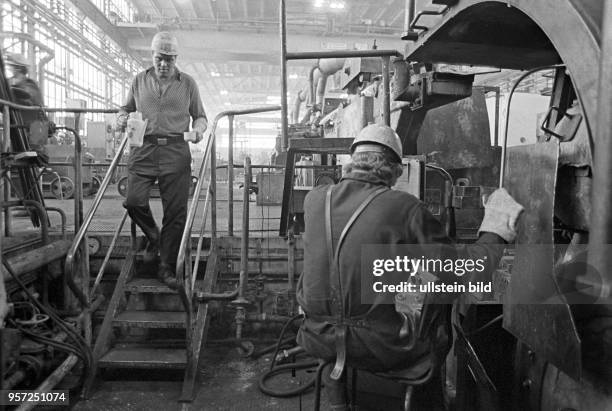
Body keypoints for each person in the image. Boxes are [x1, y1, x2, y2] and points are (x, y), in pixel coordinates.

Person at [296, 124, 524, 409]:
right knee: (437, 315)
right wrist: (495, 230)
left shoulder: (315, 200)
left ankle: (340, 402)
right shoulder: (405, 207)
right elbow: (465, 273)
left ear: (351, 161)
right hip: (383, 347)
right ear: (395, 170)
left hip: (318, 336)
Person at [116, 32, 208, 288]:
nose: (164, 64)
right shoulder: (139, 81)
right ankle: (155, 237)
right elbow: (125, 108)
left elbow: (201, 116)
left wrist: (199, 130)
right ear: (152, 56)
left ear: (176, 58)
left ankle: (166, 267)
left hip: (176, 151)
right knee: (133, 201)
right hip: (143, 149)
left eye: (169, 59)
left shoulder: (187, 84)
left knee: (176, 212)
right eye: (160, 58)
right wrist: (122, 117)